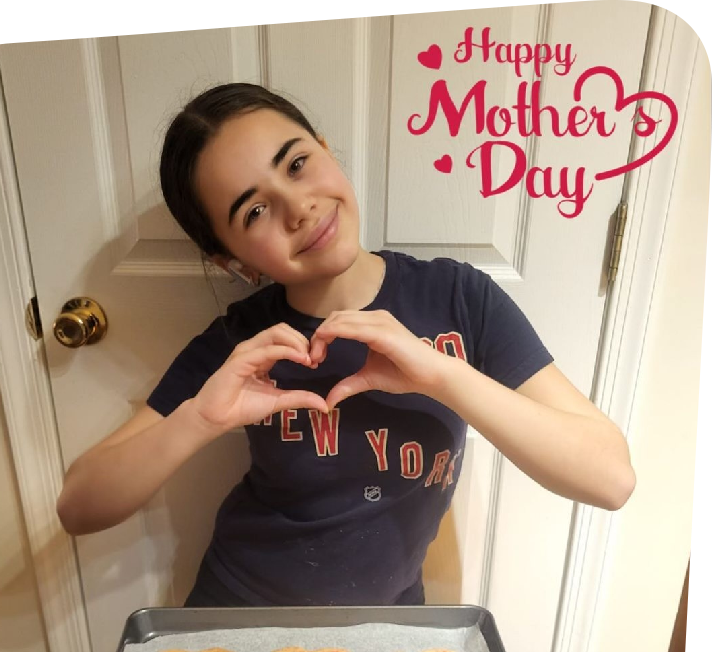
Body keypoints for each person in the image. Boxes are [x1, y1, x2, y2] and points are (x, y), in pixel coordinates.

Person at [56, 82, 635, 607]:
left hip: (387, 627)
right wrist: (199, 419)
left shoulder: (459, 299)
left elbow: (610, 478)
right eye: (255, 210)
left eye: (299, 163)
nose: (299, 207)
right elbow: (79, 505)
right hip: (239, 623)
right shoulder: (240, 343)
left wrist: (441, 375)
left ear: (328, 151)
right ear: (231, 260)